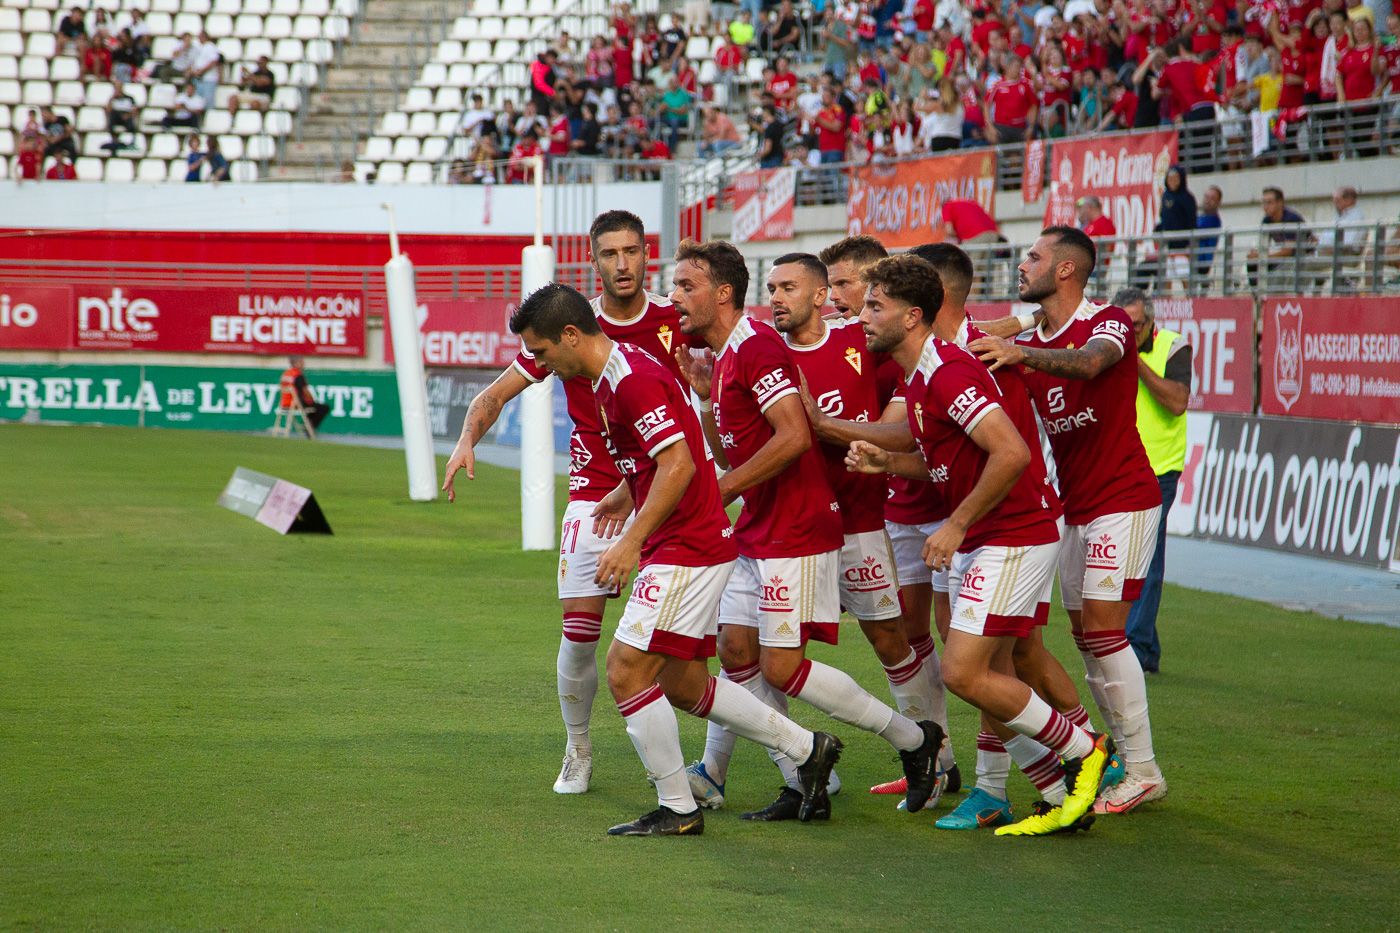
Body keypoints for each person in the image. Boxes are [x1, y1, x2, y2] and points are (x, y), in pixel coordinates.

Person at [507, 284, 841, 837]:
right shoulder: (618, 371)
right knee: (685, 684)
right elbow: (661, 456)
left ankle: (679, 808)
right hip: (688, 541)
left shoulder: (629, 380)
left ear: (570, 335)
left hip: (687, 545)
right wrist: (624, 495)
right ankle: (806, 749)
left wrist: (632, 538)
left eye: (541, 352)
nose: (539, 365)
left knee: (624, 669)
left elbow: (681, 464)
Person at [670, 239, 944, 821]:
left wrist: (720, 491)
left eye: (685, 287)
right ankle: (801, 777)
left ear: (722, 294)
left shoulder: (758, 347)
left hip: (799, 526)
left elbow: (795, 437)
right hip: (759, 528)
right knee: (736, 649)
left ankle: (916, 741)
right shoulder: (726, 358)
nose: (674, 299)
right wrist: (704, 405)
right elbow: (732, 445)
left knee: (784, 668)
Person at [847, 253, 1112, 836]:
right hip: (991, 536)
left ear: (912, 316)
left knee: (963, 672)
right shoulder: (922, 374)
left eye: (874, 306)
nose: (860, 316)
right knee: (992, 671)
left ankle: (1084, 749)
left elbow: (1011, 452)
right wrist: (885, 461)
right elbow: (942, 460)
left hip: (1013, 534)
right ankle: (1056, 791)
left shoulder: (948, 371)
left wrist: (956, 524)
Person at [442, 211, 688, 798]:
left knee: (687, 652)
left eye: (632, 252)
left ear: (646, 254)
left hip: (666, 485)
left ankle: (710, 768)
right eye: (610, 254)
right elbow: (494, 394)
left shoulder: (675, 322)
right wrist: (465, 439)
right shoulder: (568, 325)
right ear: (594, 259)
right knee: (579, 634)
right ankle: (578, 747)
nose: (622, 265)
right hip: (594, 496)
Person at [969, 227, 1169, 816]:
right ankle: (1116, 759)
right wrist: (1013, 335)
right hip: (1075, 507)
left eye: (1034, 256)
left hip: (1124, 496)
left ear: (1065, 271)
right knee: (1087, 640)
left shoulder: (1103, 320)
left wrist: (1021, 346)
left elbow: (1088, 365)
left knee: (1106, 632)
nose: (1022, 263)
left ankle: (1143, 770)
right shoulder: (1030, 336)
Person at [770, 253, 954, 800]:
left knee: (891, 641)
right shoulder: (763, 350)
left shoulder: (861, 343)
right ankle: (752, 768)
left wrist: (827, 428)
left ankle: (936, 756)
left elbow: (904, 419)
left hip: (859, 526)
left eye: (789, 287)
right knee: (747, 648)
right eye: (771, 287)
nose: (777, 297)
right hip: (791, 527)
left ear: (821, 295)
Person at [1115, 287, 1189, 676]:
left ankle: (1137, 649)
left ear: (1151, 320)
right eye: (1125, 325)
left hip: (1160, 468)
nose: (1132, 331)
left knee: (1148, 559)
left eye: (1138, 325)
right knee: (1130, 559)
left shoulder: (1173, 347)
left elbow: (1177, 401)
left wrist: (1136, 363)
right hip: (1123, 466)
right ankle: (1147, 647)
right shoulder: (1107, 346)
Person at [1134, 165, 1197, 291]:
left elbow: (1192, 222)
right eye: (1170, 179)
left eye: (1176, 179)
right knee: (1166, 276)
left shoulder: (1187, 198)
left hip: (1182, 246)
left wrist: (1190, 245)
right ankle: (1167, 303)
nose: (1173, 182)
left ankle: (1193, 301)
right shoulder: (1165, 196)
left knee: (1184, 275)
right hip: (1167, 246)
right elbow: (1164, 220)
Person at [1246, 186, 1309, 290]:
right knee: (1253, 262)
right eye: (1264, 202)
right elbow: (1264, 245)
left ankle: (1268, 294)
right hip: (1284, 258)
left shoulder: (1290, 219)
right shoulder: (1267, 220)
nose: (1265, 206)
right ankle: (1256, 294)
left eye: (1269, 202)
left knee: (1271, 266)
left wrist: (1263, 256)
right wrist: (1256, 254)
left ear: (1280, 203)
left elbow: (1288, 251)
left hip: (1301, 257)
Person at [278, 356, 331, 429]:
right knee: (323, 408)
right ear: (296, 363)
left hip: (284, 403)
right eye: (302, 362)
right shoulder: (297, 375)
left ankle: (307, 425)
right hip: (296, 403)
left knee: (313, 408)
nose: (303, 364)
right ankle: (309, 427)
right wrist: (312, 401)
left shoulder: (286, 374)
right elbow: (305, 391)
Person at [1195, 184, 1223, 281]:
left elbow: (1195, 231)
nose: (1207, 200)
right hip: (1192, 259)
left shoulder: (1213, 220)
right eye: (1206, 197)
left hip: (1201, 261)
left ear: (1218, 202)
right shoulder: (1200, 217)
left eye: (1212, 198)